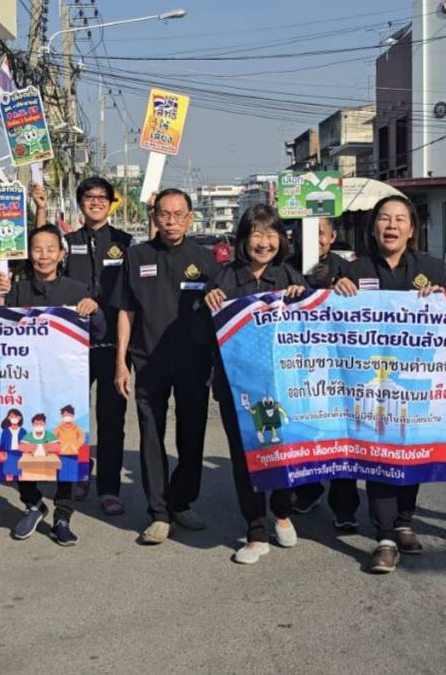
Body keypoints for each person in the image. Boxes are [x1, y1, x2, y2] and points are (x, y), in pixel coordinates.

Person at [334, 195, 446, 574]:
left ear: (412, 229)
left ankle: (404, 522)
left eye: (400, 219)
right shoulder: (354, 270)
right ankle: (384, 536)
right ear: (373, 228)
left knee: (409, 451)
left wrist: (442, 300)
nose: (392, 225)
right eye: (384, 218)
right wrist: (337, 291)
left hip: (415, 381)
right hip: (368, 381)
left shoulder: (432, 269)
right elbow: (331, 321)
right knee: (378, 451)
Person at [111, 188, 218, 544]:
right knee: (151, 435)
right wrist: (121, 363)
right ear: (154, 216)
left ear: (190, 218)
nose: (171, 221)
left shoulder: (205, 259)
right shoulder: (136, 256)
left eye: (178, 215)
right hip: (148, 360)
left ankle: (181, 502)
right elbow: (125, 312)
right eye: (164, 214)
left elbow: (223, 311)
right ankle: (158, 512)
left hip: (194, 361)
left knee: (192, 433)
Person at [203, 205, 308, 564]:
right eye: (256, 234)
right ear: (243, 239)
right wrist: (208, 302)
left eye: (271, 234)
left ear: (281, 239)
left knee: (285, 450)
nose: (264, 243)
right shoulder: (224, 278)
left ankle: (282, 512)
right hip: (239, 389)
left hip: (284, 386)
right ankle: (256, 532)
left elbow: (313, 326)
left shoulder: (290, 276)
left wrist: (302, 298)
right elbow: (206, 331)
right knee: (245, 456)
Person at [0, 224, 101, 546]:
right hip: (23, 384)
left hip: (65, 386)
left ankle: (63, 516)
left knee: (66, 449)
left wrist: (94, 311)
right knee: (21, 445)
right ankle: (33, 504)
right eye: (37, 249)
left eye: (50, 249)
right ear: (29, 254)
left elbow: (99, 331)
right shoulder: (16, 290)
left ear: (61, 254)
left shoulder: (76, 289)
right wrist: (0, 295)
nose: (44, 255)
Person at [34, 178, 133, 516]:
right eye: (89, 196)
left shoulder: (126, 242)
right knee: (69, 416)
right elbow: (42, 247)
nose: (96, 202)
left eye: (102, 197)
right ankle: (77, 471)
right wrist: (41, 208)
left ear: (111, 203)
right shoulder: (68, 241)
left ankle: (109, 488)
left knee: (111, 418)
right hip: (70, 346)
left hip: (113, 344)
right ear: (80, 203)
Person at [290, 216, 362, 528]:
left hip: (340, 368)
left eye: (320, 233)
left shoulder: (349, 269)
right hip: (298, 366)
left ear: (332, 237)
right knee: (302, 431)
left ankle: (344, 507)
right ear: (295, 236)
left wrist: (343, 289)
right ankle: (308, 491)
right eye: (306, 232)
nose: (314, 239)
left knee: (341, 435)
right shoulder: (283, 269)